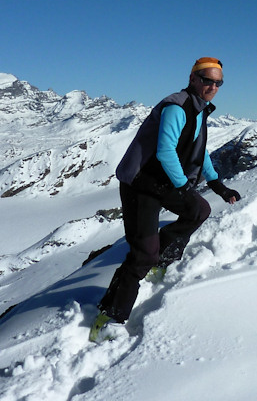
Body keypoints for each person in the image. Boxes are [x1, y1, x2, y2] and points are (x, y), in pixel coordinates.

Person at [91, 57, 241, 341]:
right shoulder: (177, 107)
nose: (213, 86)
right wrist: (183, 187)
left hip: (165, 182)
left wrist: (217, 184)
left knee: (199, 210)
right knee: (142, 254)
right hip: (141, 184)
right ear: (193, 78)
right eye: (207, 80)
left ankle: (162, 258)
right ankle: (110, 315)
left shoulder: (199, 109)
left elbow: (199, 150)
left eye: (218, 83)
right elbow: (165, 151)